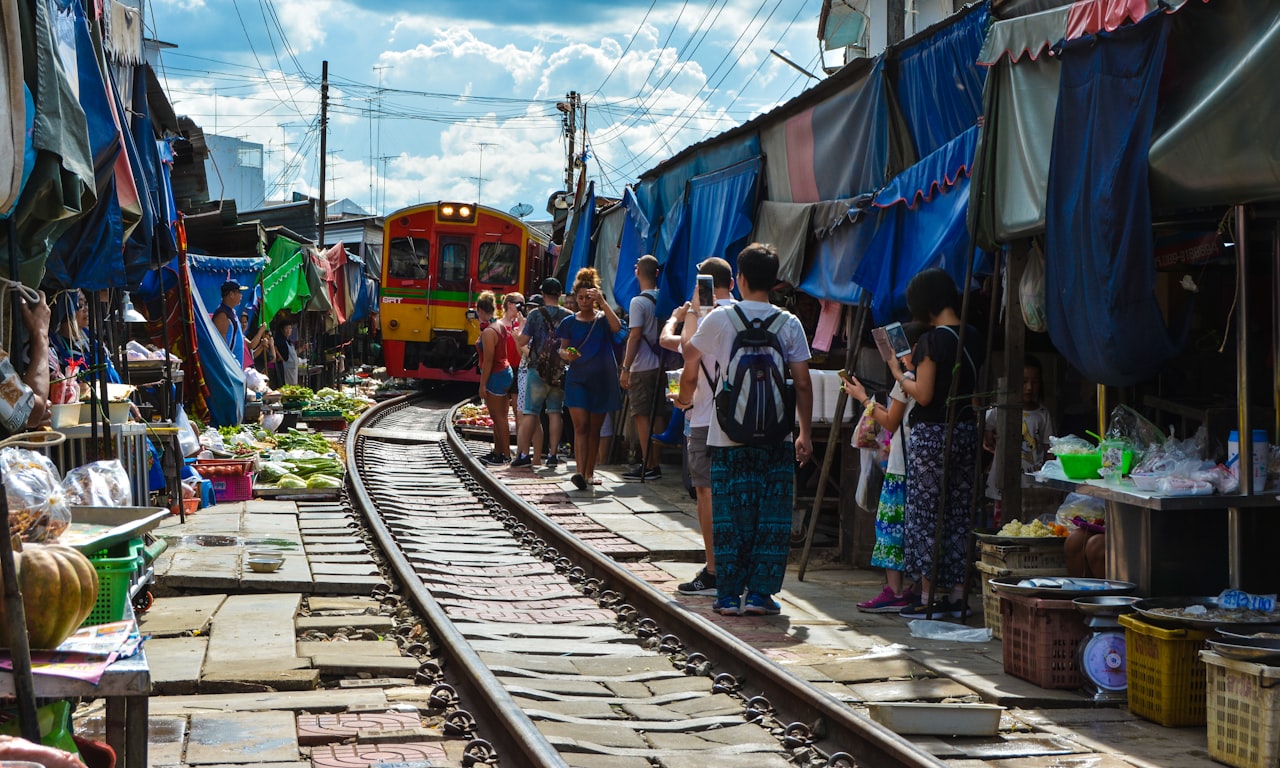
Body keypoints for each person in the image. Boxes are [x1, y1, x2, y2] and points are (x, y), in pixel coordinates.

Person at [676, 243, 813, 616]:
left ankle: (726, 595)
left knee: (729, 515)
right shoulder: (790, 323)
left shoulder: (720, 319)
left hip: (726, 434)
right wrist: (804, 433)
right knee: (771, 514)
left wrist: (693, 310)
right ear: (775, 281)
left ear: (742, 279)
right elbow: (801, 383)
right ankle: (759, 596)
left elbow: (689, 354)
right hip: (776, 436)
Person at [889, 268, 985, 619]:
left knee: (927, 516)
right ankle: (959, 596)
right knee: (960, 514)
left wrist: (900, 374)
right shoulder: (973, 336)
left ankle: (927, 596)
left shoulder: (932, 341)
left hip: (932, 437)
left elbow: (924, 394)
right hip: (965, 430)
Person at [841, 321, 928, 613]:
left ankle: (895, 590)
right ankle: (915, 588)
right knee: (916, 528)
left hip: (902, 464)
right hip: (920, 465)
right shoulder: (928, 381)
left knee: (891, 527)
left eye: (901, 348)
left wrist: (863, 397)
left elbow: (890, 420)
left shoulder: (907, 380)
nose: (898, 355)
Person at [667, 257, 735, 597]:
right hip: (746, 420)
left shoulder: (707, 316)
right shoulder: (747, 313)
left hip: (707, 417)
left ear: (701, 285)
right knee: (736, 494)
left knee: (706, 493)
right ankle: (738, 567)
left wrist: (692, 310)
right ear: (733, 284)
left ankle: (713, 570)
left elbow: (687, 354)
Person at [556, 268, 622, 489]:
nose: (584, 301)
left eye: (588, 297)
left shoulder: (603, 319)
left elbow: (618, 327)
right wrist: (568, 355)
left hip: (602, 379)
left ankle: (589, 473)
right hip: (577, 379)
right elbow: (561, 350)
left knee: (595, 429)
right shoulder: (568, 322)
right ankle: (579, 473)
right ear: (575, 297)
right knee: (581, 426)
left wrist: (603, 302)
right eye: (580, 297)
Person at [983, 355, 1054, 525]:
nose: (1029, 387)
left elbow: (1048, 451)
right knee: (1004, 526)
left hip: (1033, 486)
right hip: (1003, 483)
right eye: (1024, 381)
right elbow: (984, 429)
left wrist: (1048, 480)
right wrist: (988, 437)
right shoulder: (999, 411)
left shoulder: (1042, 414)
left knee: (1031, 525)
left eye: (1035, 382)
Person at [619, 255, 665, 481]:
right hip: (661, 365)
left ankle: (648, 465)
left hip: (642, 366)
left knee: (641, 416)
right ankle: (655, 462)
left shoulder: (638, 302)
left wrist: (626, 367)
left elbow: (635, 336)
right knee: (657, 415)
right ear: (656, 273)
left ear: (637, 272)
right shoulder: (664, 298)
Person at [515, 280, 570, 468]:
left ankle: (523, 455)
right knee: (555, 412)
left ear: (543, 294)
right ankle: (553, 455)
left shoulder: (536, 315)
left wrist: (518, 332)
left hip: (536, 370)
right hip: (559, 371)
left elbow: (523, 340)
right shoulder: (569, 316)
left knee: (530, 412)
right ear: (560, 294)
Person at [475, 290, 514, 466]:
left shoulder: (489, 332)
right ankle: (498, 452)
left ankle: (505, 455)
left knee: (498, 418)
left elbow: (489, 360)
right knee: (501, 416)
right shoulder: (498, 326)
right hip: (504, 371)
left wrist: (482, 385)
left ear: (480, 310)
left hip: (496, 375)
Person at [212, 281, 245, 357]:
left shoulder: (231, 312)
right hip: (230, 365)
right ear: (231, 294)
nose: (241, 295)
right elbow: (221, 344)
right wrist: (230, 361)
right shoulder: (222, 315)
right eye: (239, 292)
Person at [272, 315, 300, 388]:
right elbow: (278, 354)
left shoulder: (289, 342)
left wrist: (302, 348)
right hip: (285, 371)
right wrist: (280, 357)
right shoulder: (280, 341)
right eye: (286, 328)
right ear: (282, 330)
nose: (289, 330)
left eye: (290, 328)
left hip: (293, 371)